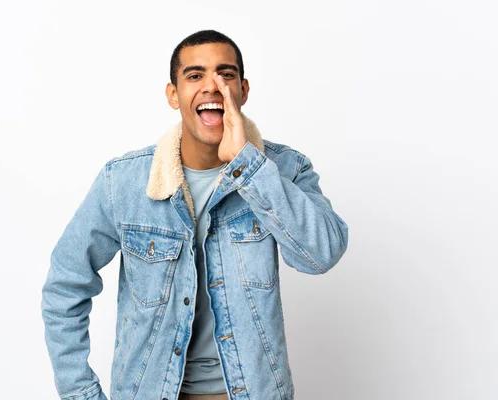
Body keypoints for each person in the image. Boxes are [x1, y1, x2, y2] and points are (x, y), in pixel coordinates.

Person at [41, 29, 349, 400]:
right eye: (195, 75)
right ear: (174, 94)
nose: (212, 86)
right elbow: (65, 285)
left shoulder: (283, 169)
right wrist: (81, 395)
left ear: (244, 90)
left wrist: (247, 166)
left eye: (226, 74)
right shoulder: (121, 183)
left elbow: (322, 254)